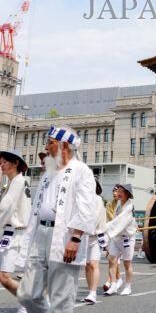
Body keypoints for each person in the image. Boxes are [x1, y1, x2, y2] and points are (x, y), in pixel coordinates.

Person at [17, 125, 96, 313]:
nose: (46, 147)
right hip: (41, 234)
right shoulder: (48, 174)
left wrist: (75, 238)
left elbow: (85, 207)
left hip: (64, 235)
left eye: (50, 143)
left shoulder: (81, 170)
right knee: (27, 293)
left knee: (61, 297)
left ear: (64, 145)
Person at [0, 149, 31, 313]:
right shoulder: (13, 183)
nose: (1, 165)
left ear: (16, 163)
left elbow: (5, 208)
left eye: (4, 162)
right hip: (12, 233)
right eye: (1, 162)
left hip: (16, 234)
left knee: (5, 277)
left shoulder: (18, 182)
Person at [104, 184, 136, 296]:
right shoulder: (118, 203)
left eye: (122, 191)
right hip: (116, 237)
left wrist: (105, 229)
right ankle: (113, 284)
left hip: (127, 238)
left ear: (128, 194)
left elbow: (119, 223)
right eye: (119, 191)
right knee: (111, 259)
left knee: (127, 263)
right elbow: (114, 220)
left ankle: (128, 286)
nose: (119, 193)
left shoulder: (129, 207)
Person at [81, 178, 107, 304]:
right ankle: (90, 292)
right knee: (87, 266)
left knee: (93, 264)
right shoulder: (84, 200)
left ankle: (93, 293)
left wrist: (83, 228)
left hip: (96, 236)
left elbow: (95, 218)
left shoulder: (98, 199)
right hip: (85, 236)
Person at [104, 186, 122, 291]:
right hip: (112, 233)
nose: (115, 193)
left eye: (117, 191)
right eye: (113, 191)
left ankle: (110, 280)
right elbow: (109, 220)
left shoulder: (124, 203)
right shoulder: (109, 204)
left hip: (122, 234)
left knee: (114, 258)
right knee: (113, 259)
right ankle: (116, 279)